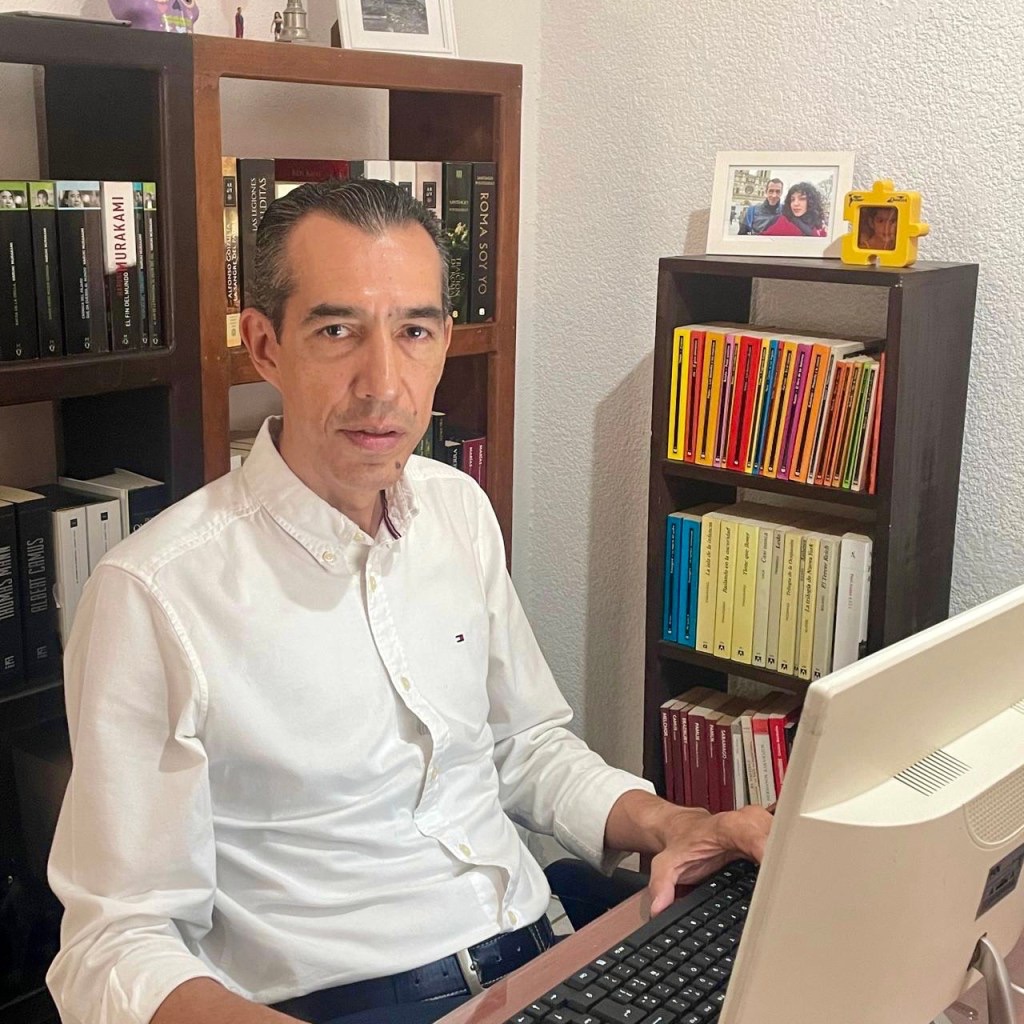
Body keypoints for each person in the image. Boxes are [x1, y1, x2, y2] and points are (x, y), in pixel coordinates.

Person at [46, 179, 771, 1024]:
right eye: (337, 330)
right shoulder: (154, 592)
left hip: (544, 950)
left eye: (414, 331)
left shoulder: (456, 507)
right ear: (265, 345)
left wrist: (676, 823)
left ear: (445, 341)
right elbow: (113, 944)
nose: (383, 383)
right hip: (349, 1001)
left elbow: (522, 746)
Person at [761, 181, 827, 237]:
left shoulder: (820, 225)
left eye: (802, 199)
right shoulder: (781, 223)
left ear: (811, 201)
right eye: (792, 199)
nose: (795, 203)